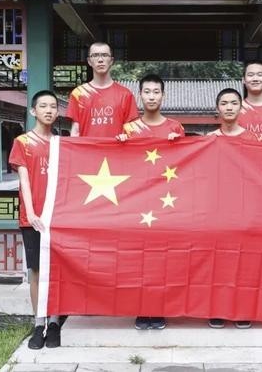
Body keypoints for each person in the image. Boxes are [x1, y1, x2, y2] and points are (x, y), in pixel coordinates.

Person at [118, 73, 185, 330]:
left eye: (156, 92)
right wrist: (119, 145)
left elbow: (186, 164)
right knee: (137, 259)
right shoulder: (129, 129)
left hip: (166, 203)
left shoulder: (175, 128)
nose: (152, 96)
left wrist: (179, 145)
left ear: (163, 96)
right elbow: (121, 165)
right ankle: (140, 308)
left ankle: (158, 309)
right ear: (140, 95)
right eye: (147, 92)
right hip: (137, 203)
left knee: (162, 259)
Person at [8, 90, 61, 350]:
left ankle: (55, 322)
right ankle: (39, 323)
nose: (48, 110)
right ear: (33, 111)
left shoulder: (62, 144)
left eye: (53, 106)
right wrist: (30, 212)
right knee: (37, 271)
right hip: (33, 218)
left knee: (57, 271)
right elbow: (25, 180)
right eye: (43, 106)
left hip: (58, 218)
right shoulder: (23, 142)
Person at [207, 88, 257, 329]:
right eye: (224, 103)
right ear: (217, 108)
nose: (229, 107)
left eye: (234, 103)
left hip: (244, 209)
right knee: (217, 261)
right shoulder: (208, 141)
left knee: (243, 261)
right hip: (215, 209)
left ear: (241, 107)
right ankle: (217, 309)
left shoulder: (252, 140)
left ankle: (241, 310)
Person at [66, 41, 139, 137]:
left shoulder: (125, 94)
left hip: (115, 147)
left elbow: (131, 133)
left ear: (111, 60)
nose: (100, 60)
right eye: (95, 55)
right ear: (89, 61)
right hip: (88, 147)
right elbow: (75, 131)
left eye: (105, 55)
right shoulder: (78, 93)